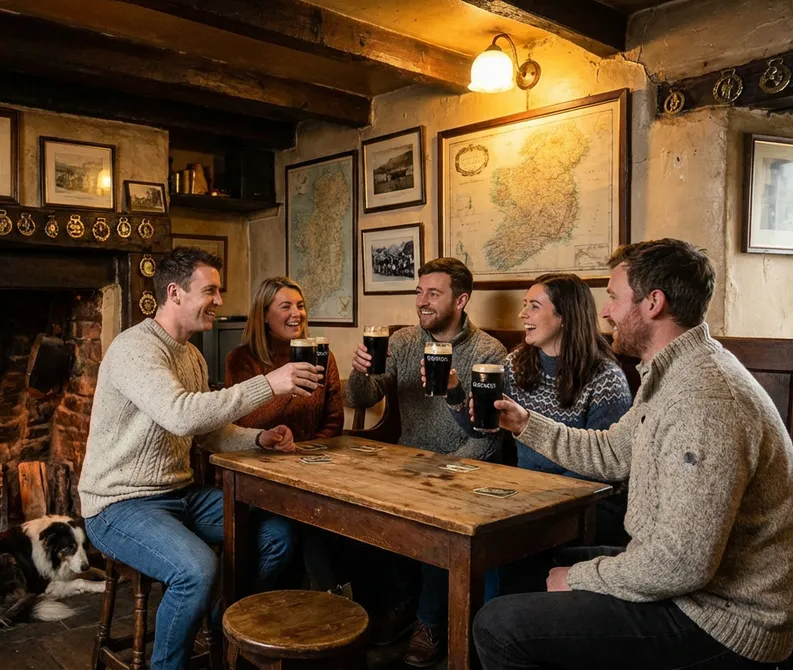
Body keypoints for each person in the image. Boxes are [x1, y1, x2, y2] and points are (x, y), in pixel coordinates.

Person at [472, 239, 793, 669]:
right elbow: (612, 451)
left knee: (498, 627)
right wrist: (523, 423)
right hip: (687, 584)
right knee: (525, 562)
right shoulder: (672, 372)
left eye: (613, 297)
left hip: (722, 617)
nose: (606, 311)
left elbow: (682, 564)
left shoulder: (705, 398)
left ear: (653, 303)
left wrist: (578, 578)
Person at [79, 247, 322, 670]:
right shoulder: (135, 348)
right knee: (196, 570)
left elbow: (207, 429)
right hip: (118, 505)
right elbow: (180, 414)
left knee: (278, 535)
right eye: (210, 290)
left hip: (179, 495)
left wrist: (258, 437)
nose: (219, 301)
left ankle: (220, 622)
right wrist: (269, 384)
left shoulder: (190, 354)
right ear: (174, 293)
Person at [346, 257, 507, 667]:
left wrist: (445, 470)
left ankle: (429, 622)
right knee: (354, 510)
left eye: (433, 293)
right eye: (419, 292)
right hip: (407, 460)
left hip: (464, 465)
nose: (422, 301)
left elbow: (489, 438)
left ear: (462, 299)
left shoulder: (488, 351)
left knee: (435, 517)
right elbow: (360, 399)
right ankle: (401, 602)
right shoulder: (401, 342)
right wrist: (360, 371)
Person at [429, 273, 633, 548]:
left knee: (490, 541)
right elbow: (482, 430)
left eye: (534, 306)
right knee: (444, 526)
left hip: (588, 504)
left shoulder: (606, 378)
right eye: (525, 304)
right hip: (524, 494)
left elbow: (603, 468)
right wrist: (453, 389)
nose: (522, 313)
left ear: (565, 316)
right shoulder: (517, 363)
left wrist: (528, 498)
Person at [226, 277, 346, 595]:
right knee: (309, 521)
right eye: (285, 306)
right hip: (258, 473)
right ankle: (330, 599)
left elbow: (334, 422)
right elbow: (244, 422)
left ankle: (332, 603)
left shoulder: (322, 355)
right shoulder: (242, 360)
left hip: (311, 469)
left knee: (344, 517)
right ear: (264, 315)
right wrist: (283, 385)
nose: (297, 313)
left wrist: (307, 455)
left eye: (301, 305)